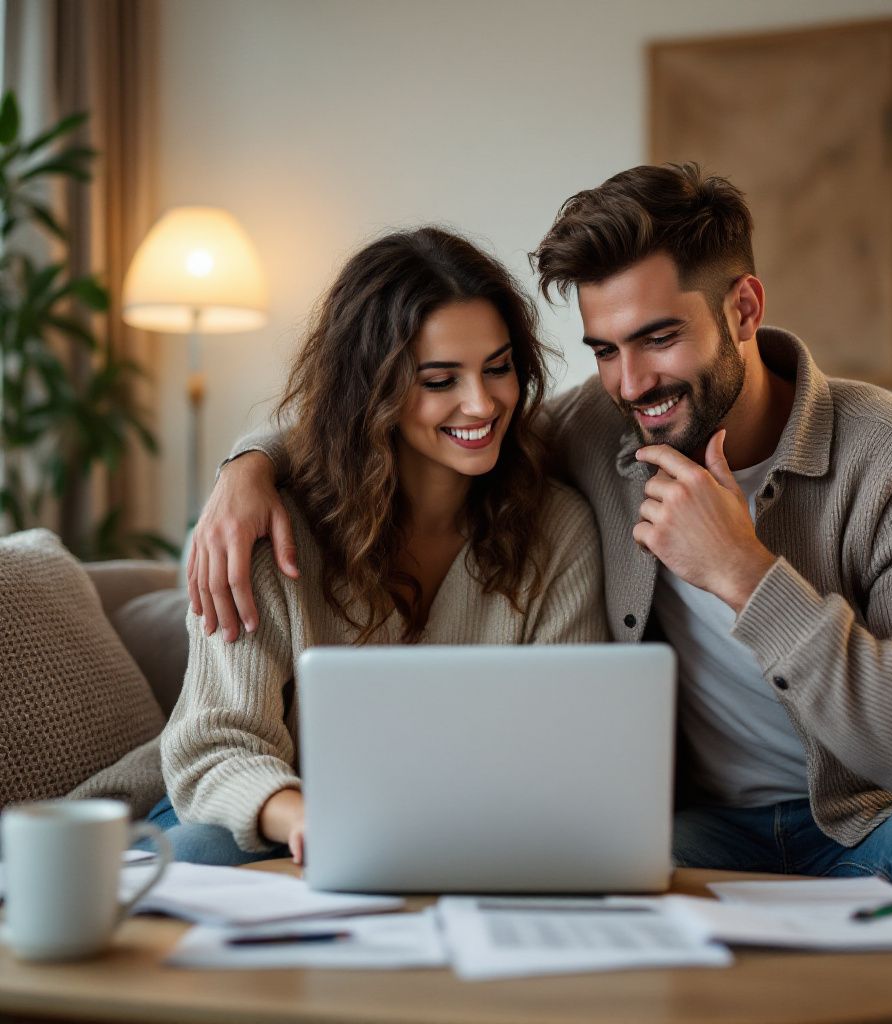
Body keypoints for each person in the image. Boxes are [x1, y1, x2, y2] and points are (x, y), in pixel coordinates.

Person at [188, 165, 892, 892]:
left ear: (744, 307)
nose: (631, 383)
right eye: (604, 349)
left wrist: (747, 576)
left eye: (659, 338)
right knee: (560, 868)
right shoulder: (600, 431)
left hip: (880, 816)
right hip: (697, 823)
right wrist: (249, 465)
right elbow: (413, 422)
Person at [157, 227, 608, 866]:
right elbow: (215, 746)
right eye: (439, 379)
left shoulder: (556, 531)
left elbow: (567, 750)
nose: (481, 402)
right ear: (372, 389)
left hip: (471, 832)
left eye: (498, 367)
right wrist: (308, 817)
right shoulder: (270, 529)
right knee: (198, 850)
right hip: (277, 819)